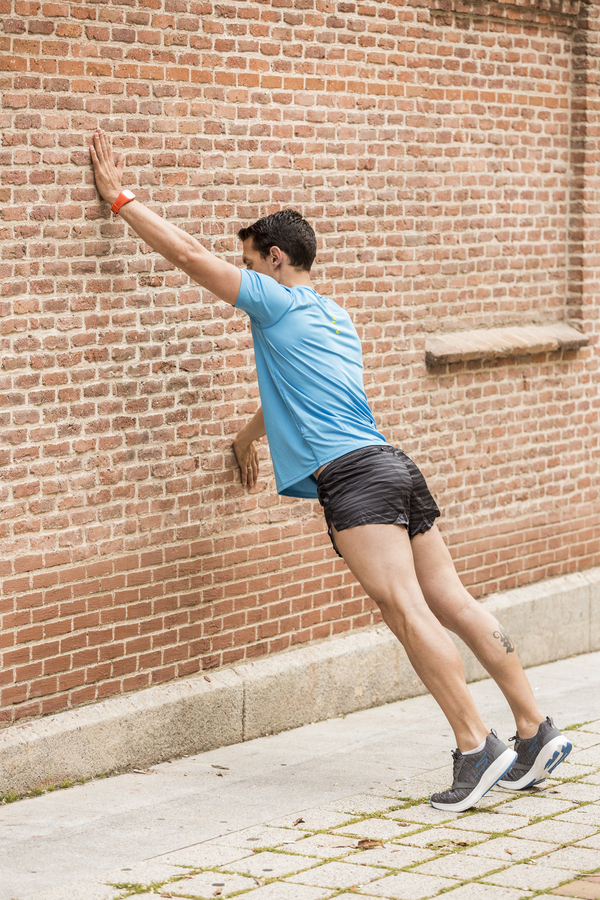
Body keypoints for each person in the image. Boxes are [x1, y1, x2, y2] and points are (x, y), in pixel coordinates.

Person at [89, 127, 572, 810]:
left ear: (276, 259)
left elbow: (188, 255)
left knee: (406, 610)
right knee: (453, 601)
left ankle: (476, 746)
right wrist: (247, 436)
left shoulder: (271, 299)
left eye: (252, 263)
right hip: (393, 465)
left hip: (352, 480)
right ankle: (533, 728)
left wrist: (121, 200)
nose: (247, 274)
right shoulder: (335, 316)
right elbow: (301, 393)